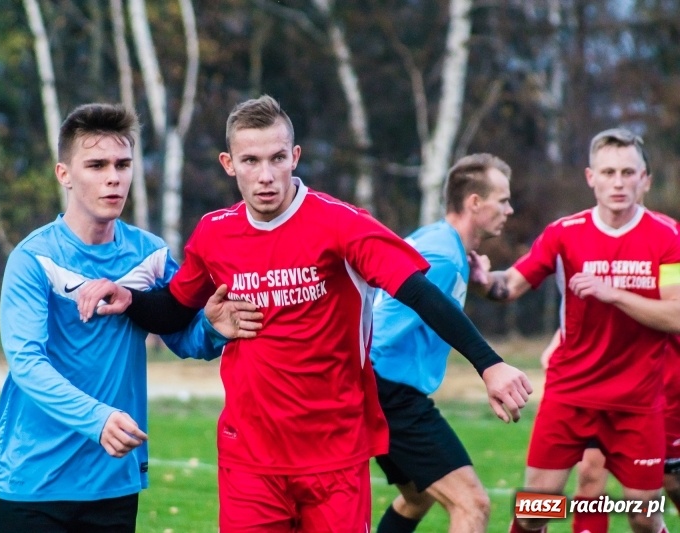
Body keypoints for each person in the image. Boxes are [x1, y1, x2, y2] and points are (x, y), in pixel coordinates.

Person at [77, 95, 533, 532]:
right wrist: (130, 299)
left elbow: (419, 292)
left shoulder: (341, 224)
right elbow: (175, 310)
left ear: (295, 157)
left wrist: (489, 364)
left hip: (334, 458)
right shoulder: (215, 234)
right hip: (249, 459)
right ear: (229, 164)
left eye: (277, 158)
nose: (266, 175)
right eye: (251, 161)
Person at [0, 102, 262, 532]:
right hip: (34, 480)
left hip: (113, 480)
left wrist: (212, 328)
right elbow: (26, 364)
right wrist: (97, 419)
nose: (113, 177)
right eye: (96, 165)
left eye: (122, 164)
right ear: (64, 175)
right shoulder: (33, 258)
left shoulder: (148, 255)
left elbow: (181, 336)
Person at [476, 127, 680, 533]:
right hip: (571, 395)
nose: (618, 182)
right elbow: (511, 285)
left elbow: (675, 315)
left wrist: (613, 294)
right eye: (608, 172)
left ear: (645, 180)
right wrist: (484, 281)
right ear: (591, 178)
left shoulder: (667, 236)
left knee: (642, 515)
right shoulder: (564, 234)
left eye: (627, 172)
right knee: (535, 511)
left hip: (638, 402)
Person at [371, 153, 516, 533]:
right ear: (475, 203)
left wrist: (478, 279)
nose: (509, 209)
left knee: (418, 496)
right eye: (502, 200)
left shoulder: (440, 243)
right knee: (473, 505)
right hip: (391, 393)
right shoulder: (442, 257)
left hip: (387, 389)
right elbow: (381, 322)